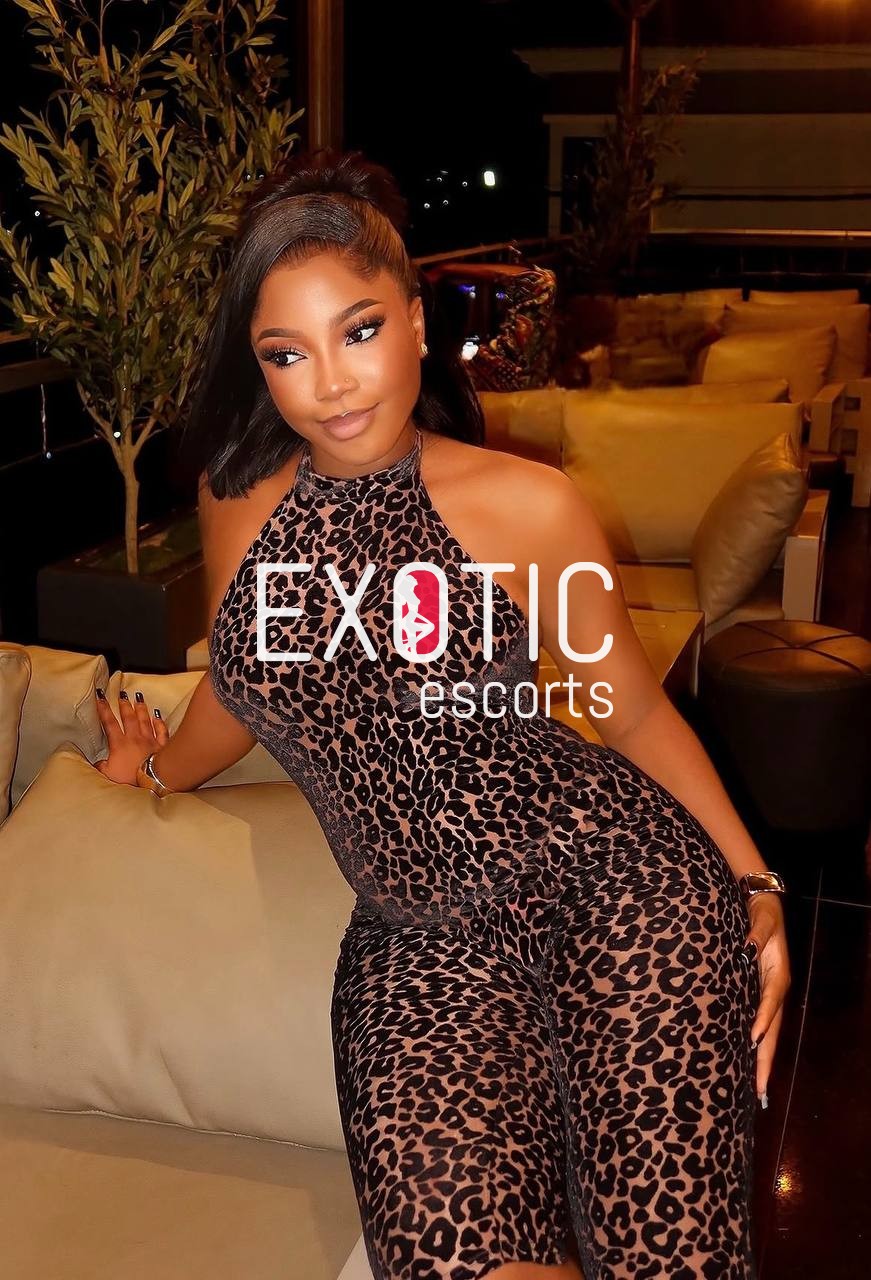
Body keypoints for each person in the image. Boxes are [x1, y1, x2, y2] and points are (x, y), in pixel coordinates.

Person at [93, 147, 791, 1280]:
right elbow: (246, 678)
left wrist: (753, 883)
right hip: (418, 943)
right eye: (286, 352)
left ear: (417, 323)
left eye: (359, 330)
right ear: (258, 367)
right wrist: (156, 768)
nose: (331, 382)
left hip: (619, 891)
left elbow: (629, 715)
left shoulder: (528, 505)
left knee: (669, 1256)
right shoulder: (236, 498)